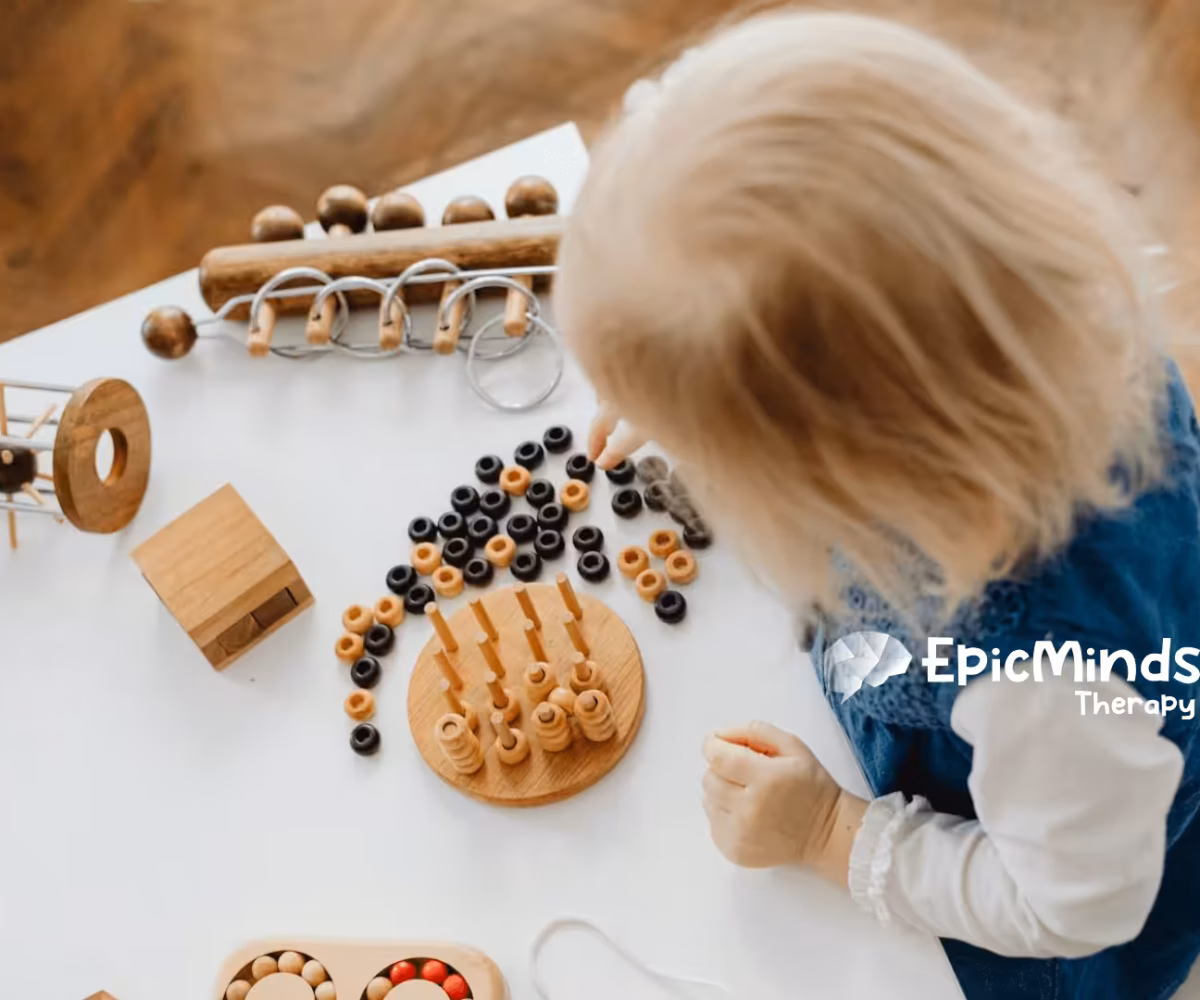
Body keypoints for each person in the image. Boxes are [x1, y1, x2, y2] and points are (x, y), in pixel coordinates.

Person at [555, 11, 1200, 1000]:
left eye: (738, 452)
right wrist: (699, 382)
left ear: (850, 470)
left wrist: (830, 832)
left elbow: (1075, 903)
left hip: (1031, 897)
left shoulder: (1048, 680)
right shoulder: (1037, 325)